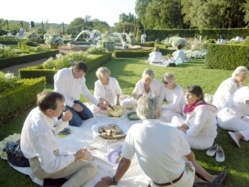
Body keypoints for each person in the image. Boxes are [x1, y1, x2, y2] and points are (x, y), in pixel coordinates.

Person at [95, 94, 227, 187]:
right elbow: (190, 156)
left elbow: (125, 161)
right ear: (158, 113)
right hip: (182, 182)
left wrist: (114, 180)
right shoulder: (172, 131)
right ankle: (204, 178)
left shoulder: (133, 130)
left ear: (139, 113)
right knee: (186, 158)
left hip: (158, 184)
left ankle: (200, 179)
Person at [20, 91, 97, 187]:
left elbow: (52, 130)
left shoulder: (39, 110)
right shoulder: (41, 132)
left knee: (87, 155)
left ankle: (67, 175)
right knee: (91, 166)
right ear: (50, 111)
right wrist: (75, 157)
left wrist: (64, 120)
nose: (64, 108)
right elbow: (49, 167)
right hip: (41, 167)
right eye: (61, 106)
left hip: (47, 156)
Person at [54, 61, 106, 127]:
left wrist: (98, 104)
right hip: (62, 103)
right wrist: (73, 105)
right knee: (77, 123)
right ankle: (59, 114)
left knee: (89, 117)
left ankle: (72, 112)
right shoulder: (63, 74)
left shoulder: (82, 78)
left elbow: (86, 92)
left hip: (75, 101)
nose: (81, 77)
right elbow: (59, 94)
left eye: (83, 75)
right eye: (80, 74)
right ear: (75, 68)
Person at [171, 85, 218, 150]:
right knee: (175, 119)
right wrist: (179, 127)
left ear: (198, 97)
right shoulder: (193, 106)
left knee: (173, 132)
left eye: (189, 95)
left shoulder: (202, 112)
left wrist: (179, 129)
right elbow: (187, 123)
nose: (186, 97)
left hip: (202, 141)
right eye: (185, 94)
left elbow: (191, 134)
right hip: (193, 131)